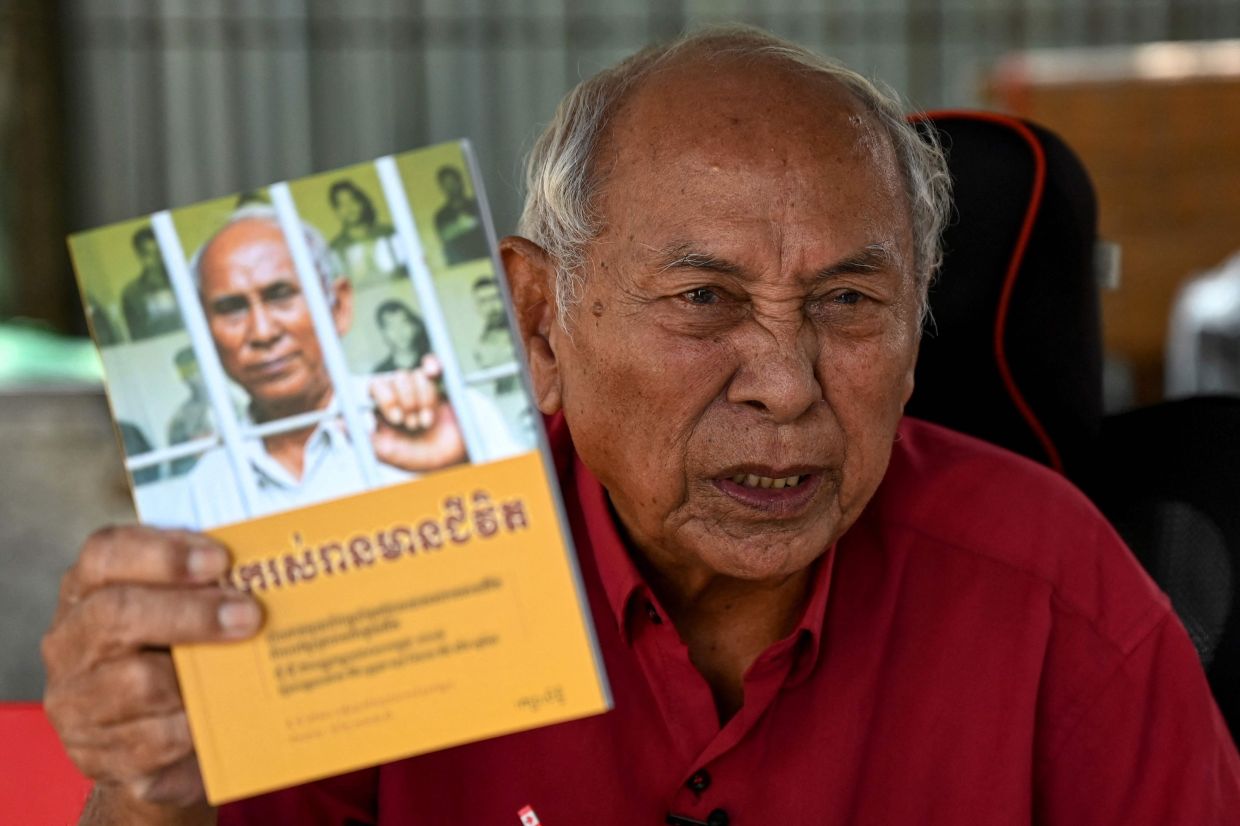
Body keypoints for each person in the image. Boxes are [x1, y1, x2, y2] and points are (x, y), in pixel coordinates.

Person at [42, 27, 1240, 825]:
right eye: (703, 299)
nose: (784, 382)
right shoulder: (366, 553)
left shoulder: (1053, 589)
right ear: (538, 322)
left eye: (848, 303)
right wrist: (152, 784)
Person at [159, 204, 516, 528]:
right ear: (204, 332)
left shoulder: (454, 423)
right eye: (233, 308)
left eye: (281, 294)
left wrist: (463, 475)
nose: (263, 332)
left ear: (339, 306)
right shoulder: (201, 495)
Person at [327, 179, 406, 285]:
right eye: (342, 204)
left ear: (362, 203)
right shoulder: (335, 248)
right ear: (336, 211)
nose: (349, 208)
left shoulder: (388, 233)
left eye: (353, 201)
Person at [121, 225, 182, 340]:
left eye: (159, 252)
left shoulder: (183, 282)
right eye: (150, 254)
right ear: (140, 256)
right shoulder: (132, 294)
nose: (157, 259)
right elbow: (137, 337)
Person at [166, 347, 214, 477]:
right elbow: (179, 469)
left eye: (193, 370)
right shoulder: (180, 418)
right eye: (185, 373)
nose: (189, 379)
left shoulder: (238, 403)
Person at [432, 165, 489, 265]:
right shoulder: (441, 215)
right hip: (460, 265)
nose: (451, 187)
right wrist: (464, 224)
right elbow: (444, 235)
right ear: (442, 187)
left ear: (460, 181)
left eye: (453, 182)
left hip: (484, 259)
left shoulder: (477, 204)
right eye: (447, 184)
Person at [372, 299, 432, 373]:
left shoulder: (433, 361)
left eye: (403, 323)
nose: (399, 332)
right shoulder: (380, 373)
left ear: (414, 326)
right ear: (384, 333)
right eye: (391, 326)